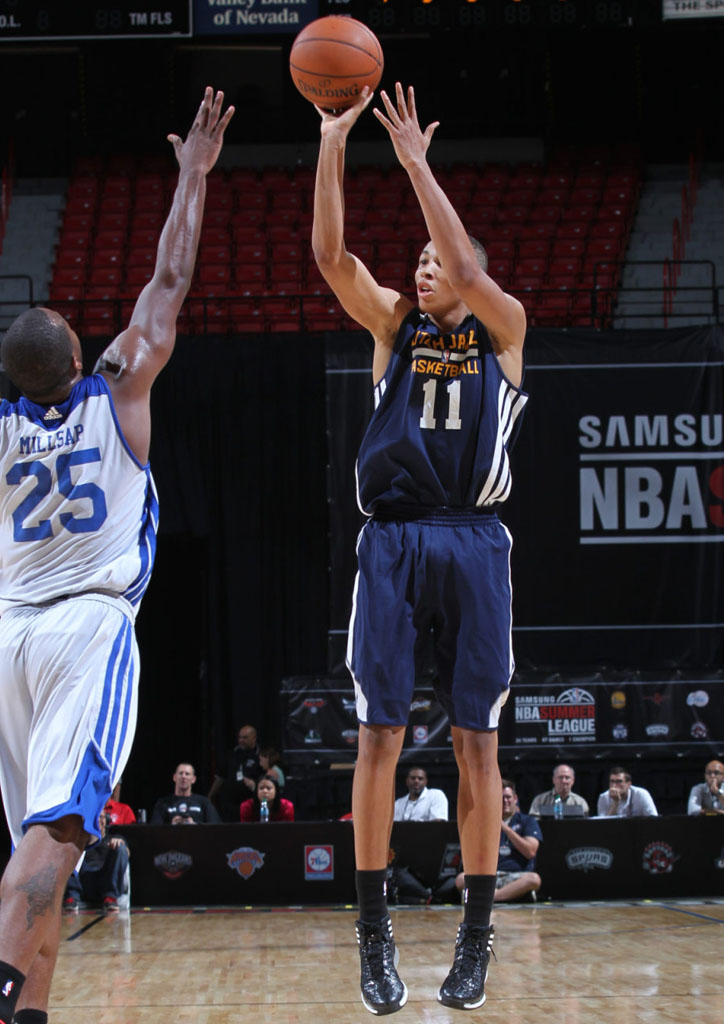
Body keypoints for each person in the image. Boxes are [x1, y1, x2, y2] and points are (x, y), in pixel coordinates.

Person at [0, 88, 233, 1024]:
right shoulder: (117, 387)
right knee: (43, 866)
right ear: (76, 352)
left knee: (33, 867)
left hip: (7, 636)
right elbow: (169, 281)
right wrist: (191, 177)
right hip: (85, 630)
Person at [312, 82, 527, 1015]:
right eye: (421, 258)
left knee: (479, 746)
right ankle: (375, 935)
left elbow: (475, 275)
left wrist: (416, 164)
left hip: (476, 541)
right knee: (380, 735)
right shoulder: (394, 327)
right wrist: (333, 143)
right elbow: (330, 255)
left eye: (439, 259)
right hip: (395, 541)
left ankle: (475, 940)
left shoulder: (504, 330)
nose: (424, 268)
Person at [454, 780, 542, 903]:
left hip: (515, 876)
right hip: (490, 876)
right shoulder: (483, 822)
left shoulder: (527, 821)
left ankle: (492, 898)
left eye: (508, 797)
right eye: (500, 798)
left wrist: (504, 828)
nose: (505, 801)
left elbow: (530, 852)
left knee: (534, 879)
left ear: (515, 798)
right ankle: (497, 895)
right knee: (460, 879)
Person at [63, 810, 129, 914]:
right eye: (95, 817)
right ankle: (71, 897)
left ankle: (110, 898)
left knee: (121, 847)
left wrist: (120, 845)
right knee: (69, 848)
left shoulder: (114, 838)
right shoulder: (80, 841)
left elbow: (127, 854)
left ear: (106, 821)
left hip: (106, 880)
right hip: (84, 881)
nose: (99, 820)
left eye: (102, 817)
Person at [208, 724, 262, 820]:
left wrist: (254, 785)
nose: (241, 740)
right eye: (240, 737)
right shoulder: (232, 754)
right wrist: (210, 795)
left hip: (251, 803)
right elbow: (221, 777)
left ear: (254, 738)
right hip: (231, 805)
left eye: (245, 738)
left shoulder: (260, 755)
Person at [150, 762, 221, 825]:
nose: (183, 776)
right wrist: (172, 824)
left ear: (193, 779)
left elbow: (215, 826)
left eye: (187, 774)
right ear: (174, 777)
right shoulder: (163, 803)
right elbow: (155, 828)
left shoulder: (204, 802)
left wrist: (194, 824)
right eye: (181, 773)